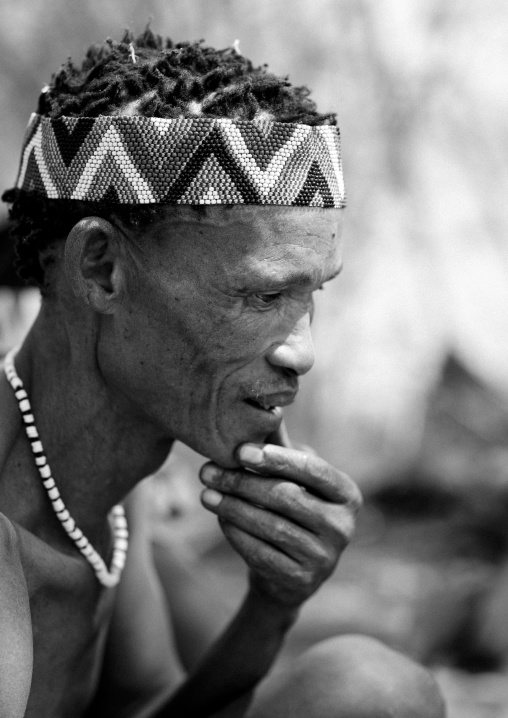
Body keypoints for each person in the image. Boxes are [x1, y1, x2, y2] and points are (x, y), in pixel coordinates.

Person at [0, 28, 445, 718]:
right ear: (101, 269)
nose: (302, 350)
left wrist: (272, 605)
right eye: (263, 297)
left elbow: (145, 705)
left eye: (310, 295)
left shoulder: (108, 496)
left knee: (367, 690)